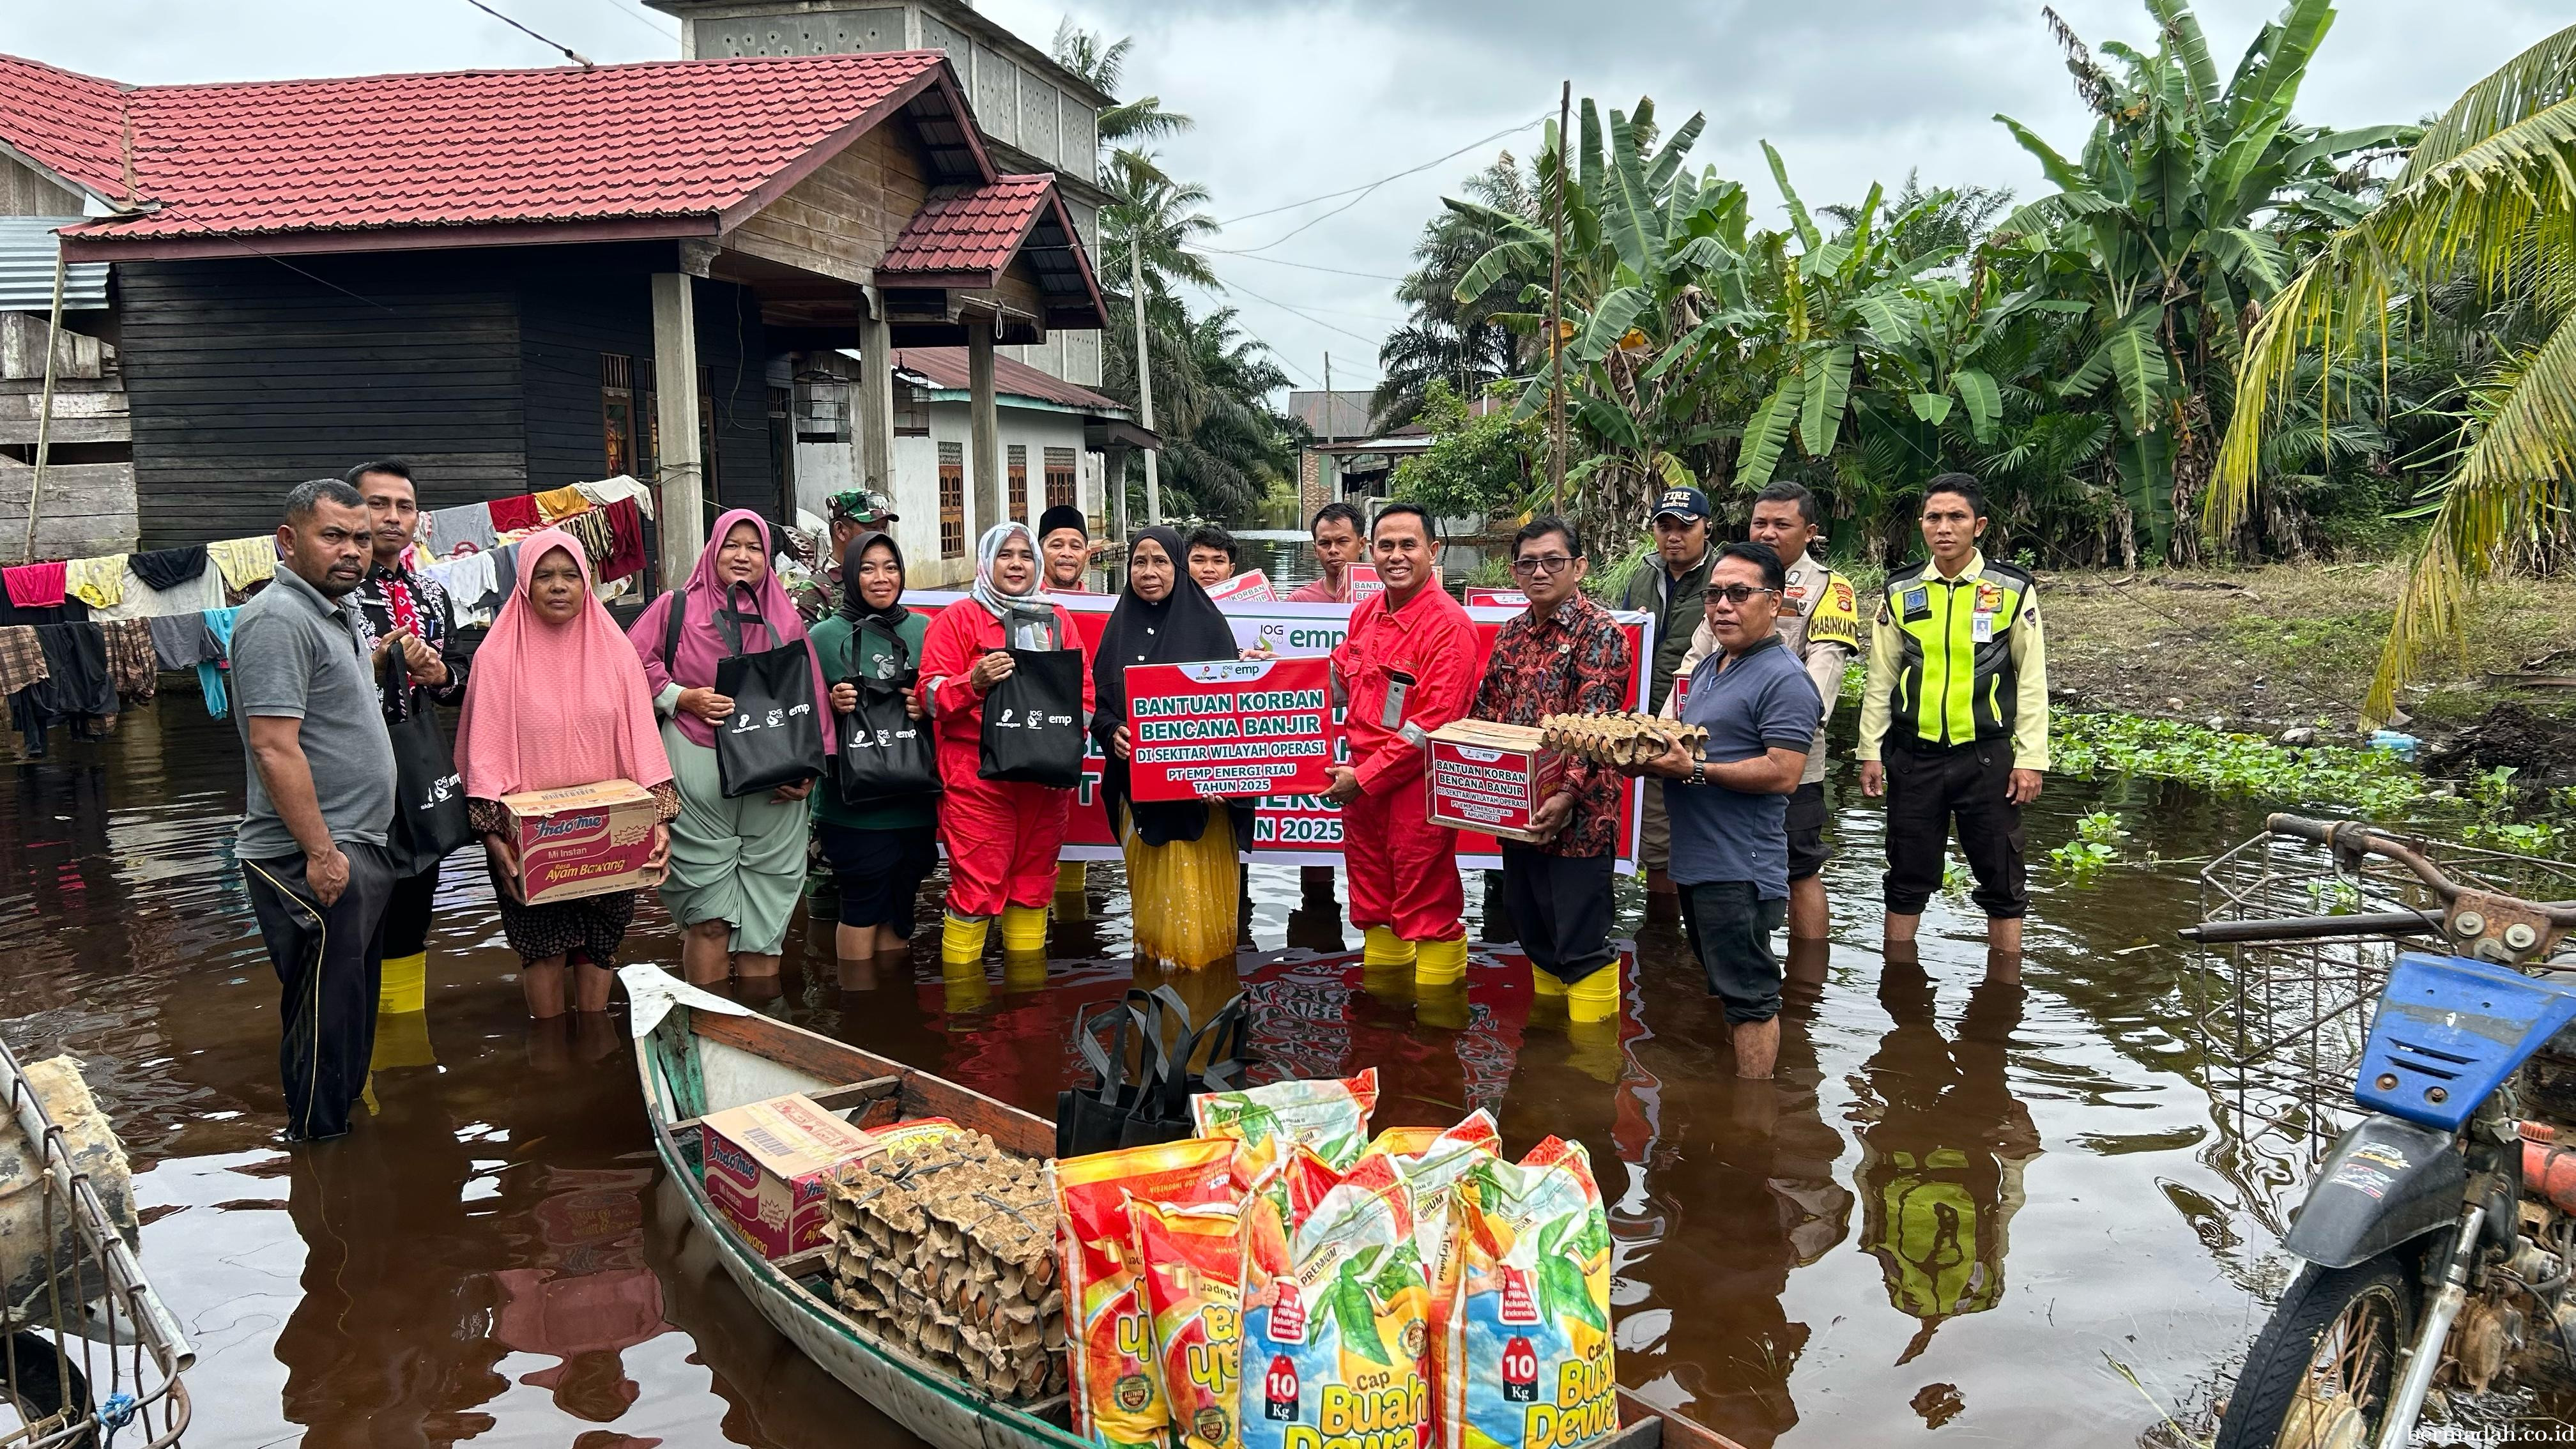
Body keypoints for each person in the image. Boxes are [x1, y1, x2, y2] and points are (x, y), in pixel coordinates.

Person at [231, 479, 399, 1140]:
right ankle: (321, 1170)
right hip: (307, 855)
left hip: (355, 844)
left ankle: (350, 1163)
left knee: (352, 1015)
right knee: (324, 1027)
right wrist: (322, 853)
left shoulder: (338, 610)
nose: (352, 551)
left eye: (360, 538)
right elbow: (274, 748)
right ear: (288, 541)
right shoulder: (277, 619)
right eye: (333, 536)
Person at [456, 530, 677, 1018]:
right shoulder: (497, 658)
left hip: (610, 833)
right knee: (543, 947)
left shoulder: (616, 653)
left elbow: (643, 742)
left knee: (601, 944)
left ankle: (593, 1049)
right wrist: (495, 839)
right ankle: (551, 1057)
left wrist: (657, 821)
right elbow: (483, 757)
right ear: (524, 585)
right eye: (545, 575)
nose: (558, 586)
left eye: (570, 575)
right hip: (529, 842)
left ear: (587, 583)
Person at [1625, 542, 1821, 1080]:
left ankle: (1753, 1123)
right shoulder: (1713, 665)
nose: (1722, 606)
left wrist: (1692, 772)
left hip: (1740, 868)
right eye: (1714, 594)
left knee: (1751, 996)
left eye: (1739, 594)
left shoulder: (1784, 678)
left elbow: (1784, 771)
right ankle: (1731, 1109)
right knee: (1723, 985)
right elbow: (1690, 746)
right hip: (1698, 862)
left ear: (1775, 602)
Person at [630, 509, 832, 987]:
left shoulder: (785, 620)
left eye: (755, 547)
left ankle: (758, 1032)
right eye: (732, 545)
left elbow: (813, 695)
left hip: (772, 793)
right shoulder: (674, 608)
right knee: (709, 921)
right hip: (698, 790)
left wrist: (810, 770)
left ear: (768, 557)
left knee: (765, 929)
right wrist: (682, 697)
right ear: (712, 550)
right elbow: (627, 662)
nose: (743, 556)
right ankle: (711, 1031)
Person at [1856, 474, 2050, 953]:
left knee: (2002, 881)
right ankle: (1899, 985)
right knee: (1905, 876)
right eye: (1934, 517)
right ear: (1921, 525)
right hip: (1913, 758)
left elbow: (2032, 679)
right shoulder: (1900, 591)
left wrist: (2031, 758)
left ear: (1978, 525)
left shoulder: (2011, 588)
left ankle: (2004, 987)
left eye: (1956, 517)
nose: (1944, 527)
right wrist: (1870, 752)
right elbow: (1880, 677)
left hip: (1986, 759)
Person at [1667, 481, 1858, 942]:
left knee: (1800, 866)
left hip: (1786, 751)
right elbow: (1695, 660)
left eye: (1781, 524)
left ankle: (1806, 984)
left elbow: (1822, 675)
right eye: (1760, 522)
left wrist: (1781, 731)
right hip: (1712, 750)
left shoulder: (1829, 589)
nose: (1768, 532)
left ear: (1809, 532)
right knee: (1720, 874)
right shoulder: (1730, 581)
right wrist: (1667, 732)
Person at [1468, 517, 1632, 1021]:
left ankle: (1591, 1067)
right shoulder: (1512, 633)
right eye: (1527, 563)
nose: (1539, 572)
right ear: (1514, 572)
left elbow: (1596, 727)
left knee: (1580, 937)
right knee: (1530, 923)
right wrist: (1469, 770)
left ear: (1579, 567)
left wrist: (1565, 795)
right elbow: (1487, 712)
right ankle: (1549, 1052)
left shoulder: (1600, 633)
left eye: (1553, 561)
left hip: (1580, 817)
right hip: (1518, 811)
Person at [917, 521, 1092, 965]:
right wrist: (971, 682)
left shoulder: (1057, 620)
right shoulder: (957, 619)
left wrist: (1064, 746)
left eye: (1025, 556)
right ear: (986, 562)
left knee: (1034, 886)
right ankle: (966, 1013)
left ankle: (1028, 1007)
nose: (1016, 564)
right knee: (976, 888)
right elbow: (929, 697)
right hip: (977, 779)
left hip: (1044, 782)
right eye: (1005, 555)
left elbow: (1084, 695)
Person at [1326, 503, 1478, 986]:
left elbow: (1429, 725)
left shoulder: (1449, 626)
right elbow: (1335, 678)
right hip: (1364, 785)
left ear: (1434, 551)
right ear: (1371, 551)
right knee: (1372, 899)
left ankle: (1435, 1036)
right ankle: (1382, 1020)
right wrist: (1268, 673)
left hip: (1416, 787)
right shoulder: (1367, 613)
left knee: (1425, 900)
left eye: (1408, 545)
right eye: (1386, 545)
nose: (1396, 556)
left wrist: (1365, 780)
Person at [1095, 527, 1254, 969]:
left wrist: (1227, 777)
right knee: (1154, 923)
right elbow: (1101, 710)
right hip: (1140, 796)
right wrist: (1112, 733)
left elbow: (1237, 723)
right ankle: (1155, 1008)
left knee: (1197, 930)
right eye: (1139, 562)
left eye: (1161, 561)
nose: (1149, 572)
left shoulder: (1209, 629)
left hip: (1202, 804)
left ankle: (1202, 1020)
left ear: (1178, 568)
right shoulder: (1117, 632)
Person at [344, 459, 469, 1015]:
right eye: (378, 504)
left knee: (415, 908)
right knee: (355, 913)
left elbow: (458, 687)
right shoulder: (333, 595)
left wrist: (438, 674)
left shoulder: (431, 595)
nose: (393, 518)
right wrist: (370, 667)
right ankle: (356, 1050)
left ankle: (403, 1044)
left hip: (418, 775)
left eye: (405, 506)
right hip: (350, 783)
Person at [812, 530, 938, 960]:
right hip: (854, 808)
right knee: (862, 904)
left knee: (902, 908)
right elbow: (799, 715)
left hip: (916, 798)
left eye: (890, 567)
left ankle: (889, 1009)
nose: (881, 578)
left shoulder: (925, 629)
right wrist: (831, 705)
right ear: (850, 574)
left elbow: (952, 698)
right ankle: (859, 1012)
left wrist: (927, 706)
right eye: (867, 568)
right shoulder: (824, 637)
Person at [1618, 486, 1717, 917]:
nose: (1673, 536)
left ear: (1707, 528)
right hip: (1645, 727)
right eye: (1665, 526)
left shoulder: (1724, 577)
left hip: (1705, 728)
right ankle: (1661, 941)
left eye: (1684, 527)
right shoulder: (1643, 574)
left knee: (1708, 839)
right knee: (1656, 844)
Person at [787, 489, 900, 622]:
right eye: (872, 528)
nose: (881, 535)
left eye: (884, 528)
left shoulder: (889, 581)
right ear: (840, 530)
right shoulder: (812, 592)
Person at [1287, 502, 1366, 604]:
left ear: (1361, 545)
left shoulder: (1385, 597)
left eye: (1342, 541)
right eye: (1325, 543)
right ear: (1315, 550)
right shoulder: (1299, 602)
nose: (1333, 550)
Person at [1038, 503, 1094, 592]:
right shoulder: (1022, 603)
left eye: (1075, 546)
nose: (1067, 554)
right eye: (1057, 546)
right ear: (1040, 553)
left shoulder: (1100, 604)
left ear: (1087, 556)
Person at [1184, 524, 1238, 590]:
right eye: (1199, 560)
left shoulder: (1247, 599)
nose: (1209, 569)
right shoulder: (1171, 599)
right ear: (1185, 566)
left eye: (1219, 561)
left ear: (1231, 569)